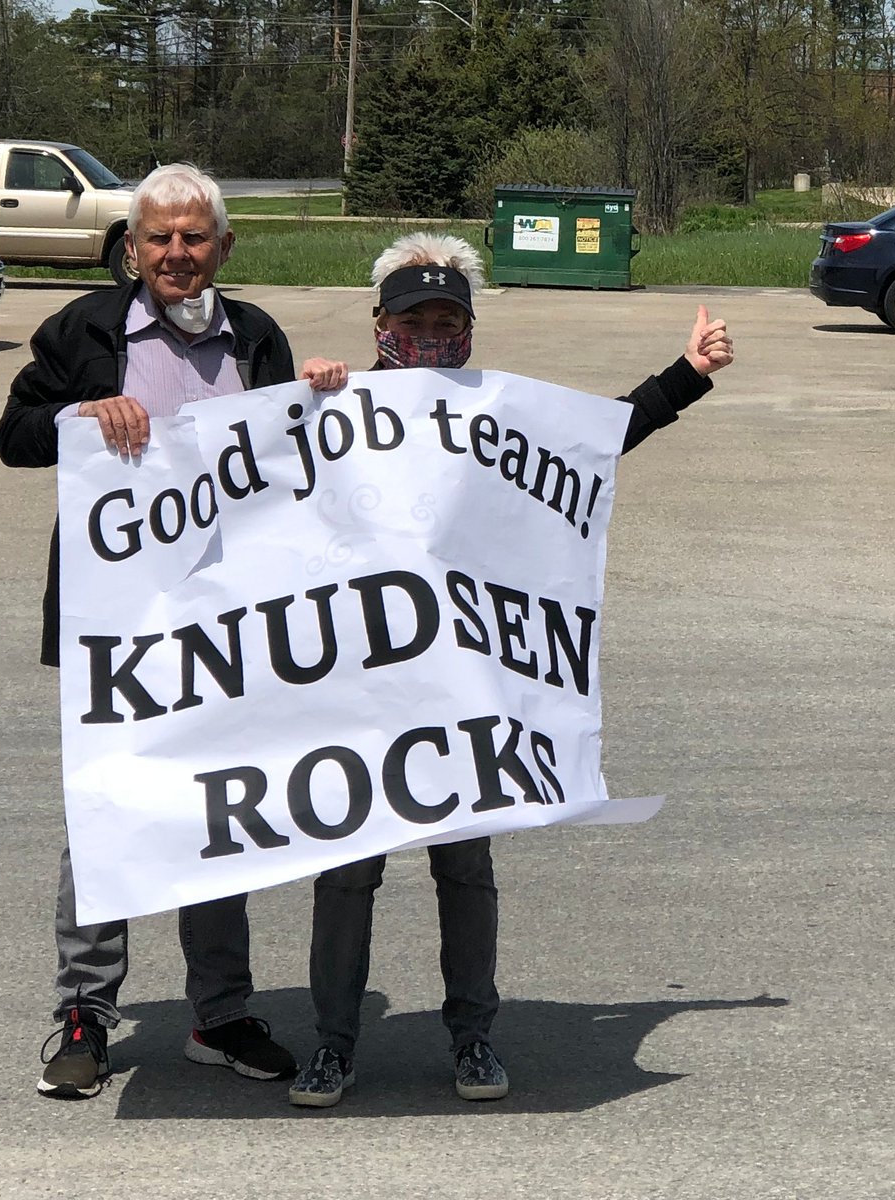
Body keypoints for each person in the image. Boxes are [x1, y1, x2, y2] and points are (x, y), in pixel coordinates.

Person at [287, 232, 734, 1108]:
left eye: (446, 321)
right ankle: (332, 1044)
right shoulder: (333, 406)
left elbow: (595, 441)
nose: (430, 336)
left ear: (468, 330)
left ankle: (473, 1037)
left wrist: (687, 373)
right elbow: (250, 481)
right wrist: (302, 395)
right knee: (346, 873)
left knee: (464, 866)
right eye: (413, 321)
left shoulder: (494, 413)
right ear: (379, 325)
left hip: (460, 683)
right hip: (358, 685)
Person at [0, 163, 346, 1100]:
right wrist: (77, 414)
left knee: (219, 812)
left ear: (224, 246)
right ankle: (84, 1013)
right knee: (105, 811)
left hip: (230, 625)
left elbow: (294, 468)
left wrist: (320, 397)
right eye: (160, 237)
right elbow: (13, 434)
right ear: (133, 247)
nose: (176, 254)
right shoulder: (84, 330)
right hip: (116, 627)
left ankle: (219, 1014)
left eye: (194, 238)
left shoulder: (257, 336)